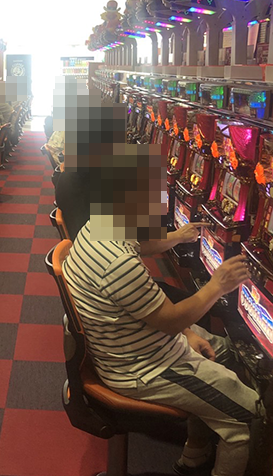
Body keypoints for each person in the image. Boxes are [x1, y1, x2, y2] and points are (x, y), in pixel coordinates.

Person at [62, 147, 258, 476]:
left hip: (129, 343)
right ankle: (217, 443)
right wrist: (217, 285)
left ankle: (194, 455)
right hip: (143, 366)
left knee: (223, 351)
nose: (164, 200)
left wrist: (175, 237)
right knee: (249, 417)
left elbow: (139, 245)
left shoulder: (98, 226)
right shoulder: (117, 264)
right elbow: (171, 321)